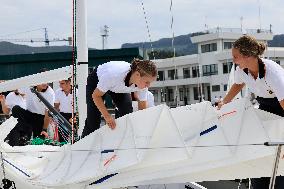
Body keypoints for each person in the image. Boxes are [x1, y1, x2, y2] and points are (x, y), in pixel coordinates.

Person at [218, 35, 284, 188]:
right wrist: (224, 101)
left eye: (236, 57)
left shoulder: (273, 74)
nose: (233, 60)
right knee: (261, 149)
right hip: (265, 107)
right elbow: (238, 85)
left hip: (281, 108)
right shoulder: (241, 70)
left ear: (248, 56)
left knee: (280, 155)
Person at [81, 59, 157, 138]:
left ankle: (120, 140)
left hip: (118, 87)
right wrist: (107, 116)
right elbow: (96, 96)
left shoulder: (142, 85)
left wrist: (142, 130)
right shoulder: (113, 75)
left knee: (127, 111)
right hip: (97, 80)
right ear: (137, 75)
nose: (148, 86)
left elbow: (142, 111)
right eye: (147, 82)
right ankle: (82, 147)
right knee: (93, 121)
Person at [9, 82, 55, 146]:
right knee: (16, 108)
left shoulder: (50, 93)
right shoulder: (29, 86)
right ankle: (24, 136)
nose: (45, 83)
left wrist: (44, 129)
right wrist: (6, 84)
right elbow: (16, 89)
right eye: (43, 81)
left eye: (47, 81)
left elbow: (48, 114)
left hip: (40, 118)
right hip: (29, 115)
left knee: (39, 142)